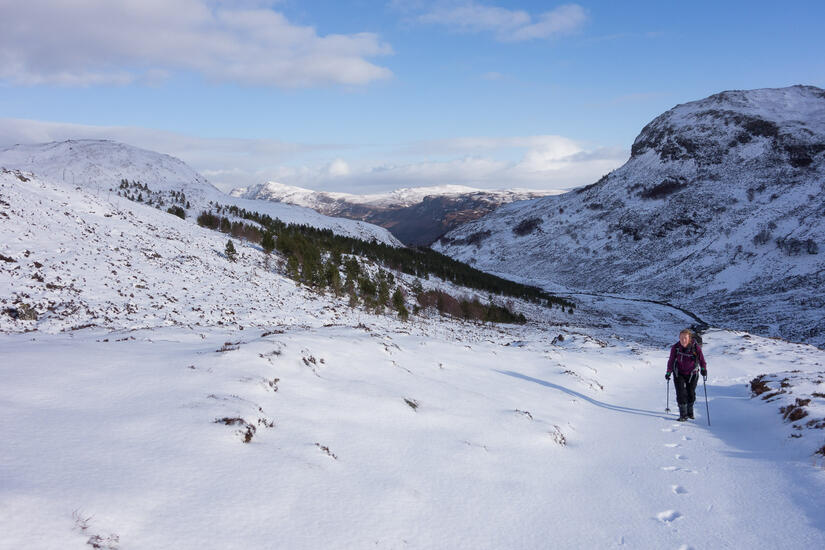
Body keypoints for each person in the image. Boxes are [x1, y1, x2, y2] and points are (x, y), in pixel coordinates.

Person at [665, 329, 707, 421]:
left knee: (690, 393)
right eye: (681, 338)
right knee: (680, 393)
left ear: (689, 338)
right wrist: (668, 372)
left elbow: (701, 360)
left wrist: (703, 369)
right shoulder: (675, 348)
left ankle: (690, 412)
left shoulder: (696, 348)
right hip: (678, 373)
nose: (683, 340)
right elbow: (671, 360)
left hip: (693, 373)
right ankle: (683, 415)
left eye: (685, 338)